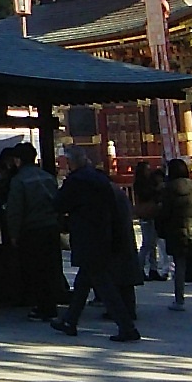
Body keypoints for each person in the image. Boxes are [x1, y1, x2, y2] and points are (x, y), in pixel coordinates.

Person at [51, 146, 142, 343]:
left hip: (87, 235)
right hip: (104, 233)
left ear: (71, 163)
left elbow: (59, 204)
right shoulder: (100, 179)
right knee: (84, 281)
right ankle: (70, 320)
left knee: (103, 284)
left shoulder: (75, 181)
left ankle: (127, 327)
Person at [5, 143, 63, 322]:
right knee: (50, 267)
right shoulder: (47, 177)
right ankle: (51, 304)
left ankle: (42, 306)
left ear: (18, 160)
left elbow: (15, 209)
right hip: (51, 227)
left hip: (32, 229)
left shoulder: (19, 180)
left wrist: (13, 234)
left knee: (35, 269)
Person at [160, 158, 192, 315]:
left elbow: (165, 211)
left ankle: (179, 299)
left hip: (177, 229)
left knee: (180, 266)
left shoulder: (168, 189)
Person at [132, 161, 167, 281]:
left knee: (153, 244)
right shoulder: (140, 184)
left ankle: (153, 269)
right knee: (147, 243)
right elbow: (145, 195)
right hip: (147, 213)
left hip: (153, 212)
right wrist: (157, 189)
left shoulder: (150, 181)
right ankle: (139, 268)